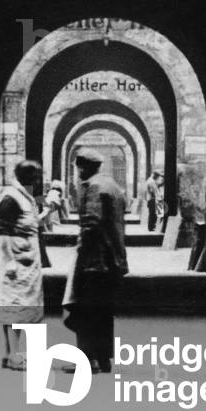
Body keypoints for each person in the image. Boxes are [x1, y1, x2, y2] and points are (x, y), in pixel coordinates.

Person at [63, 148, 127, 373]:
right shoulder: (113, 186)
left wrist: (81, 253)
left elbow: (92, 223)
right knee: (103, 311)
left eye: (78, 168)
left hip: (94, 259)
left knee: (85, 310)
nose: (77, 172)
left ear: (83, 167)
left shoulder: (92, 187)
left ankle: (87, 361)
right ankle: (103, 358)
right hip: (112, 259)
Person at [0, 159, 44, 371]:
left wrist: (46, 212)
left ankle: (10, 354)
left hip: (27, 260)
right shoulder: (10, 198)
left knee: (21, 308)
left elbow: (29, 224)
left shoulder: (25, 196)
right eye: (36, 177)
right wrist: (10, 262)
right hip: (15, 261)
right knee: (14, 308)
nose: (39, 181)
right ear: (27, 177)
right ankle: (14, 356)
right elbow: (2, 232)